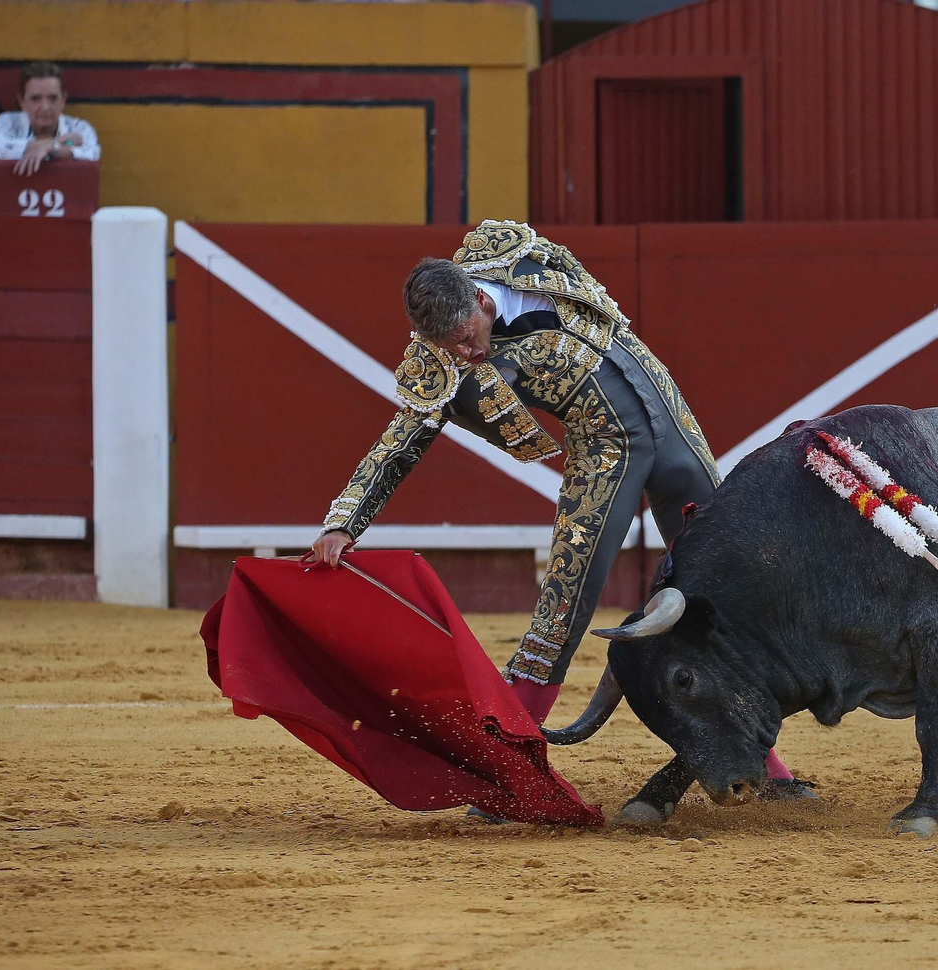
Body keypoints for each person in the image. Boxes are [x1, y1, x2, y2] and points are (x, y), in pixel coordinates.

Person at [309, 221, 811, 811]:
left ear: (476, 298)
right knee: (564, 603)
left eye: (469, 337)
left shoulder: (515, 251)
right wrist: (345, 520)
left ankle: (769, 768)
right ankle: (506, 777)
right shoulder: (438, 360)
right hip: (608, 448)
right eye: (453, 348)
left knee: (732, 587)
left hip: (666, 411)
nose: (469, 354)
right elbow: (401, 441)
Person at [0, 61, 101, 177]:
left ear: (63, 100)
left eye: (53, 98)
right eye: (35, 98)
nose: (45, 107)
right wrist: (57, 144)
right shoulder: (8, 122)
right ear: (22, 102)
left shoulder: (79, 128)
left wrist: (49, 149)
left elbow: (92, 155)